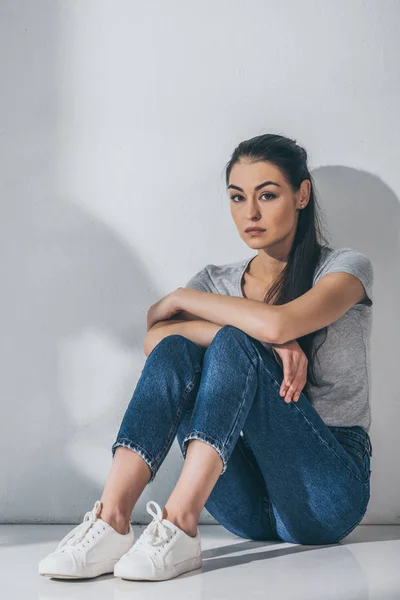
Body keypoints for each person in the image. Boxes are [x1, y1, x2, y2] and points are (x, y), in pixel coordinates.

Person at [39, 133, 373, 582]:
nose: (250, 213)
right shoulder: (216, 281)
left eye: (267, 195)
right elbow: (156, 341)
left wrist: (193, 307)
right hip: (243, 503)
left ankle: (178, 521)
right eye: (237, 198)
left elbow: (278, 324)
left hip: (326, 492)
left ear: (302, 195)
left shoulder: (344, 268)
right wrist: (253, 339)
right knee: (181, 348)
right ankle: (111, 519)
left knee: (234, 343)